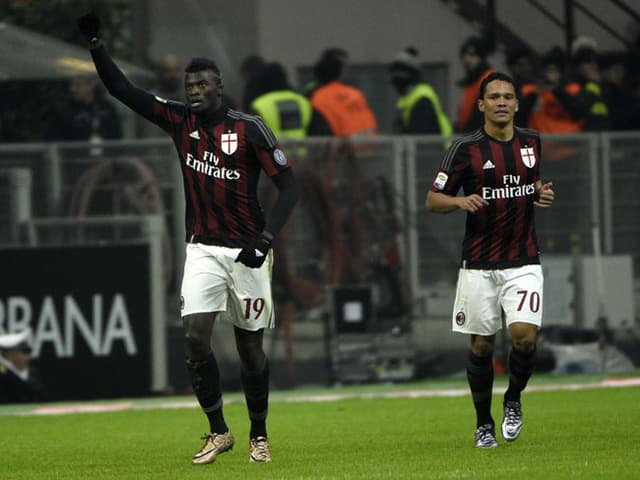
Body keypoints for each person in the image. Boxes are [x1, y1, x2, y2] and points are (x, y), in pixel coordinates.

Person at [77, 11, 298, 464]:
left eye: (201, 85)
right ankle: (218, 431)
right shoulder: (179, 122)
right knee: (195, 338)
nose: (194, 92)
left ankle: (259, 434)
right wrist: (97, 44)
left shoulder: (249, 128)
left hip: (249, 251)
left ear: (219, 86)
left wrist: (268, 237)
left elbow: (289, 185)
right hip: (202, 248)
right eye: (189, 86)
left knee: (250, 347)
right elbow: (123, 91)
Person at [426, 71, 555, 448]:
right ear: (481, 104)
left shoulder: (532, 141)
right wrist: (459, 201)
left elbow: (528, 187)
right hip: (479, 263)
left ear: (516, 104)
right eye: (494, 96)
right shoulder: (465, 149)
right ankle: (483, 423)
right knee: (482, 346)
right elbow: (433, 200)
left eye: (508, 96)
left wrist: (539, 195)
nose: (501, 102)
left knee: (524, 337)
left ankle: (513, 398)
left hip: (523, 259)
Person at [309, 49, 378, 137]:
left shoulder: (318, 97)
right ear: (340, 72)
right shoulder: (355, 93)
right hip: (374, 145)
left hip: (345, 148)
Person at [249, 62, 328, 139]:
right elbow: (318, 132)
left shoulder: (259, 104)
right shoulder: (303, 101)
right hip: (301, 151)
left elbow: (253, 136)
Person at [388, 46, 452, 136]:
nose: (396, 78)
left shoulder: (422, 98)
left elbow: (420, 138)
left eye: (400, 72)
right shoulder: (407, 98)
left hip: (435, 149)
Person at [46, 75, 122, 147]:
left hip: (107, 155)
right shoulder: (63, 110)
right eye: (71, 85)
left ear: (91, 86)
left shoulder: (106, 107)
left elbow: (116, 134)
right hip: (75, 157)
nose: (72, 89)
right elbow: (56, 140)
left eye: (78, 85)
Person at [455, 36, 493, 133]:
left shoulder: (489, 80)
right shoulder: (472, 81)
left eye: (472, 55)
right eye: (464, 56)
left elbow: (479, 117)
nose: (467, 60)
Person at [0, 328, 46, 404]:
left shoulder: (32, 372)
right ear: (10, 355)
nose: (28, 356)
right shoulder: (2, 374)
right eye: (24, 352)